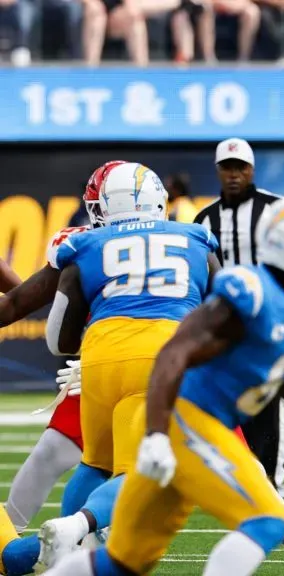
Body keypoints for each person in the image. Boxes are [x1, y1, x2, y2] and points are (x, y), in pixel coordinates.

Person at [42, 193, 284, 576]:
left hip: (207, 425)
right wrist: (156, 434)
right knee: (268, 520)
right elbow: (173, 355)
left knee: (124, 562)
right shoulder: (250, 293)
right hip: (183, 418)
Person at [34, 162, 221, 570]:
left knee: (94, 463)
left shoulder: (84, 244)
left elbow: (58, 341)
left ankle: (51, 558)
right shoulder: (195, 237)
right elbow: (226, 310)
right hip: (162, 356)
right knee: (148, 466)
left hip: (100, 358)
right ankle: (76, 526)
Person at [1, 161, 122, 539]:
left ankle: (96, 532)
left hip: (152, 366)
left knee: (142, 462)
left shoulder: (179, 242)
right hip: (103, 364)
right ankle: (17, 535)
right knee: (55, 451)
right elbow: (20, 299)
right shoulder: (84, 243)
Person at [192, 138, 284, 543]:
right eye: (227, 167)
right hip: (224, 330)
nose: (234, 174)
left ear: (251, 170)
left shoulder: (276, 209)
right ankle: (248, 498)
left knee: (269, 408)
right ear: (218, 171)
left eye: (240, 167)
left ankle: (275, 495)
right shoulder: (204, 221)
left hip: (267, 325)